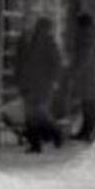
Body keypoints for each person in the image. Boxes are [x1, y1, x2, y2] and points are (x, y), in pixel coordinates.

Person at [15, 17, 63, 153]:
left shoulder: (29, 40)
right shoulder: (49, 42)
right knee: (38, 112)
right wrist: (55, 80)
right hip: (42, 84)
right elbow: (57, 63)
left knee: (33, 114)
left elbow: (20, 63)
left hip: (31, 83)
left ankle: (38, 142)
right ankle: (52, 134)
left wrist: (19, 80)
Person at [69, 13, 95, 143]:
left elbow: (85, 58)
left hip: (90, 78)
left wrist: (74, 71)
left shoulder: (86, 36)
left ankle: (89, 132)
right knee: (88, 105)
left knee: (90, 106)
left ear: (82, 25)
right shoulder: (93, 35)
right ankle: (86, 131)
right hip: (94, 77)